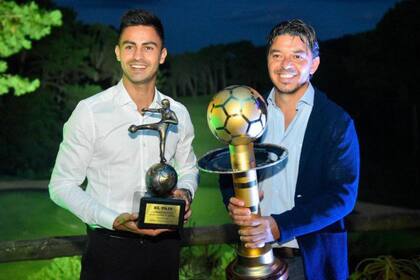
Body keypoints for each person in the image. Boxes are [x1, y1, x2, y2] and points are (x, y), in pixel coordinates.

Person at [49, 9, 198, 280]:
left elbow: (189, 168)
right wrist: (113, 219)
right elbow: (61, 186)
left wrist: (185, 193)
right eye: (130, 47)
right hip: (109, 252)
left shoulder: (179, 113)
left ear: (162, 55)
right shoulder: (90, 112)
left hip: (166, 250)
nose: (138, 57)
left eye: (148, 47)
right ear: (118, 52)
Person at [220, 19, 360, 280]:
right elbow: (228, 175)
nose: (285, 65)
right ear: (268, 60)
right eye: (277, 55)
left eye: (297, 56)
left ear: (314, 65)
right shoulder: (246, 113)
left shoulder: (335, 122)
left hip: (311, 265)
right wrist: (232, 201)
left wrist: (279, 226)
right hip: (254, 261)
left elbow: (343, 196)